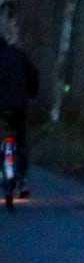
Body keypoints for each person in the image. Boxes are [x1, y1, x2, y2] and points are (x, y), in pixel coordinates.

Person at [0, 32, 40, 199]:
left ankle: (4, 174)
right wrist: (31, 95)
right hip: (19, 106)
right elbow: (33, 74)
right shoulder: (17, 54)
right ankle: (23, 180)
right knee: (21, 141)